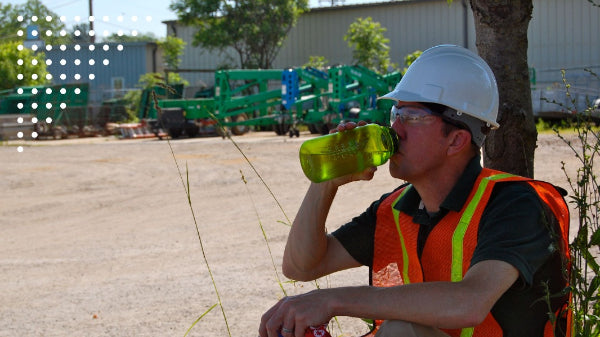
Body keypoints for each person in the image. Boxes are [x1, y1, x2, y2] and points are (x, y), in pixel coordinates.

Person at [259, 45, 571, 337]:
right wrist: (325, 182)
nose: (395, 129)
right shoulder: (396, 209)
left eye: (412, 117)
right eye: (396, 114)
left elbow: (469, 303)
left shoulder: (516, 204)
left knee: (401, 332)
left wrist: (332, 300)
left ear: (456, 141)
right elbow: (301, 266)